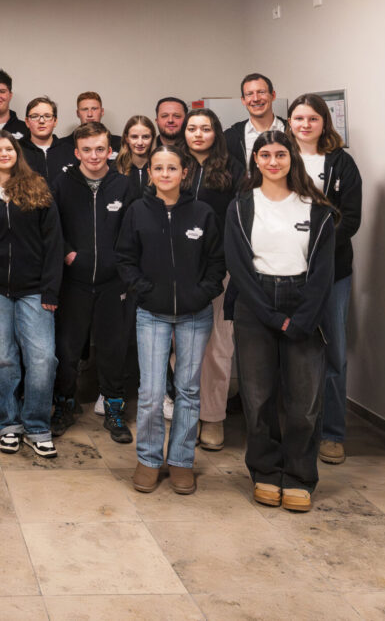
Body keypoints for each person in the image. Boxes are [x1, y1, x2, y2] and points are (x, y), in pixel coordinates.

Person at [225, 130, 336, 513]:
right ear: (255, 160)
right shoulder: (241, 206)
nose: (273, 162)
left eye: (280, 155)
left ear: (292, 159)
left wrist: (300, 320)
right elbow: (238, 267)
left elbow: (323, 273)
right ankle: (266, 472)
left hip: (304, 304)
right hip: (255, 304)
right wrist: (270, 315)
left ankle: (300, 476)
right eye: (265, 155)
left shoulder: (316, 209)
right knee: (258, 399)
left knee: (304, 402)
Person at [116, 145, 225, 494]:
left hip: (195, 314)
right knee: (150, 393)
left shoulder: (202, 213)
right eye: (158, 168)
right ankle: (148, 459)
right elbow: (125, 259)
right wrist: (144, 291)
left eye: (172, 168)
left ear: (184, 173)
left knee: (188, 390)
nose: (165, 174)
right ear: (150, 173)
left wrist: (201, 294)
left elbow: (217, 262)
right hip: (152, 313)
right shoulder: (137, 211)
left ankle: (181, 460)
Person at [0, 131, 63, 458]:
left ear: (17, 153)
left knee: (43, 359)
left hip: (35, 289)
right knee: (3, 359)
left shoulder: (37, 188)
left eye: (9, 148)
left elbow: (53, 243)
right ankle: (9, 424)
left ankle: (36, 426)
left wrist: (50, 289)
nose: (4, 153)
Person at [287, 93, 362, 465]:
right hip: (286, 273)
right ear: (289, 122)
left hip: (332, 271)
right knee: (289, 350)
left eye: (312, 118)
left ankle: (332, 433)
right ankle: (293, 429)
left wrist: (319, 250)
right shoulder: (278, 156)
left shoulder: (341, 163)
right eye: (299, 118)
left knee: (333, 351)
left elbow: (351, 219)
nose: (305, 125)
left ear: (323, 123)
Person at [51, 122, 133, 443]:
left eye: (100, 149)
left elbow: (133, 230)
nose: (94, 155)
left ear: (110, 150)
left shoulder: (123, 185)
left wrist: (120, 263)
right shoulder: (62, 183)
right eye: (87, 150)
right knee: (67, 349)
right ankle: (64, 404)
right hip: (74, 282)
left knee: (113, 349)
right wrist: (68, 254)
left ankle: (114, 409)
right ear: (77, 152)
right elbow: (51, 228)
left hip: (113, 283)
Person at [179, 109, 246, 450]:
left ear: (216, 133)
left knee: (218, 345)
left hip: (219, 267)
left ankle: (213, 417)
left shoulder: (234, 168)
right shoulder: (173, 163)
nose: (198, 134)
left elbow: (242, 218)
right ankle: (187, 414)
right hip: (176, 267)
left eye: (205, 128)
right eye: (192, 128)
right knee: (181, 346)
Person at [224, 73, 287, 168]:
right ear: (243, 100)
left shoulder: (292, 132)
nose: (256, 99)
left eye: (261, 92)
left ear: (273, 95)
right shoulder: (230, 137)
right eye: (249, 94)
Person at [21, 96, 75, 185]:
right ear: (27, 122)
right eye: (35, 116)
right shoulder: (16, 151)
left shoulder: (71, 152)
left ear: (55, 121)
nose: (41, 121)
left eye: (47, 116)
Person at [61, 92, 123, 160]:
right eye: (85, 109)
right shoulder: (62, 145)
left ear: (102, 112)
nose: (89, 114)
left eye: (94, 109)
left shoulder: (120, 143)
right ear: (78, 113)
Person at [116, 115, 157, 201]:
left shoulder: (161, 168)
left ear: (152, 138)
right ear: (127, 138)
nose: (140, 142)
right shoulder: (116, 168)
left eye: (145, 137)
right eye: (134, 137)